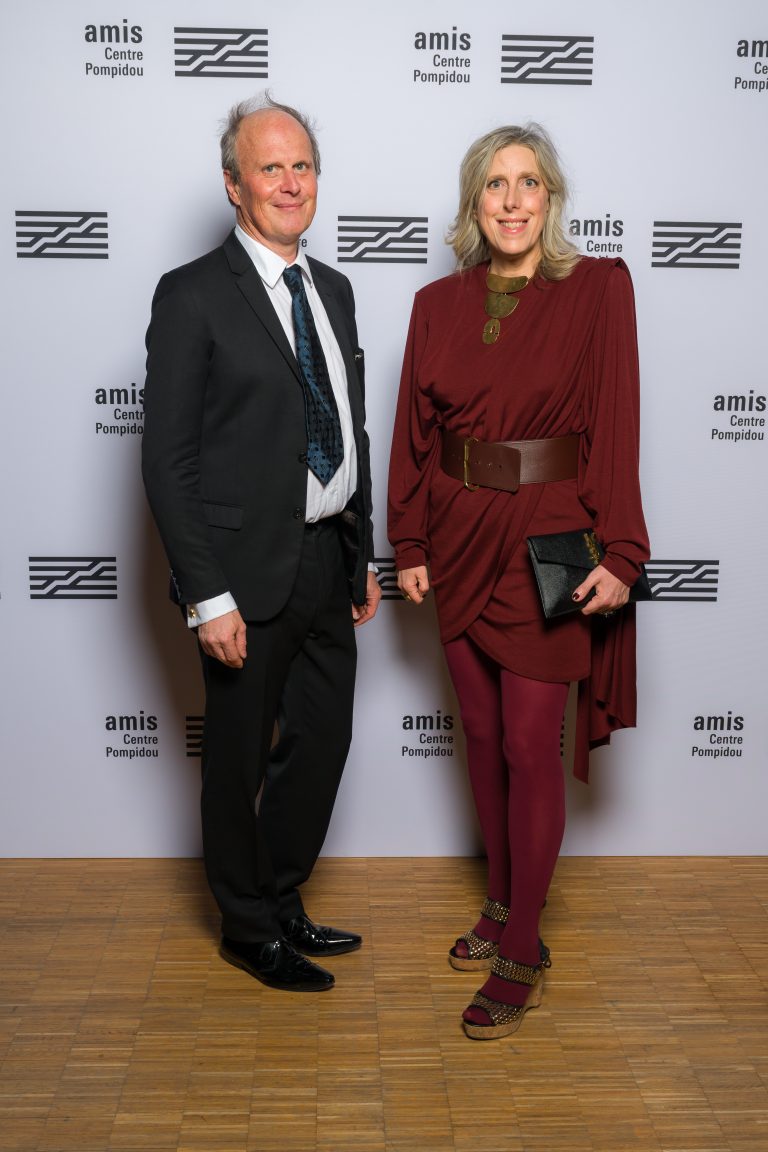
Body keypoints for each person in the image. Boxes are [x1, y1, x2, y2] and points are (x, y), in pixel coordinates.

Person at [387, 123, 649, 1039]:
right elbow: (415, 435)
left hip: (550, 541)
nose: (510, 200)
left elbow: (616, 424)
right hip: (457, 539)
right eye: (494, 184)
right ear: (474, 201)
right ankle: (501, 901)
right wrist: (408, 540)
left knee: (533, 745)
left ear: (552, 197)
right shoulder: (434, 304)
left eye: (528, 182)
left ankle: (524, 944)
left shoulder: (598, 291)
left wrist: (622, 553)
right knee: (487, 734)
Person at [142, 94, 380, 993]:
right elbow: (168, 463)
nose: (289, 182)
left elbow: (348, 426)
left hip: (327, 558)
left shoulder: (337, 291)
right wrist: (208, 595)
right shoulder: (193, 294)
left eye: (302, 165)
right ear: (234, 185)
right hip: (241, 575)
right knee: (238, 757)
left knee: (319, 745)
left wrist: (361, 552)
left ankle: (280, 898)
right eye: (269, 167)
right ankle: (245, 928)